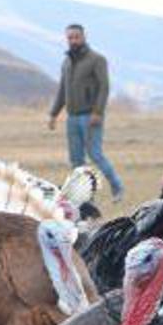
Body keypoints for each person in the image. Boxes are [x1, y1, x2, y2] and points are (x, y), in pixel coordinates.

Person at [48, 24, 124, 202]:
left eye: (76, 37)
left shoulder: (97, 59)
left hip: (90, 116)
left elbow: (104, 87)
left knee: (95, 155)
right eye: (70, 37)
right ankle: (86, 197)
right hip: (72, 117)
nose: (73, 40)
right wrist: (54, 114)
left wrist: (98, 112)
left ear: (83, 37)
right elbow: (62, 90)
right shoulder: (66, 62)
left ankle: (117, 187)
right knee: (76, 160)